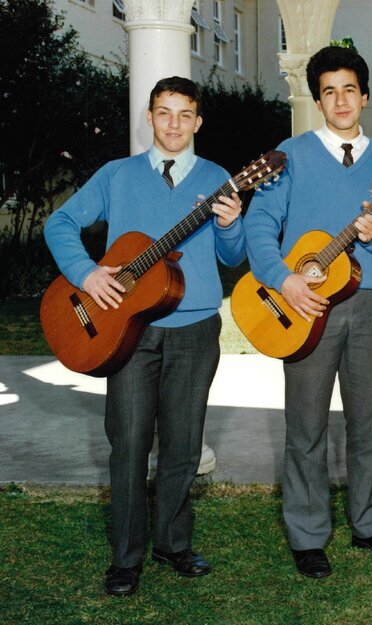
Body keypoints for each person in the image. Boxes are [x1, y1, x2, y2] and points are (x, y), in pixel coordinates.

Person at [44, 76, 245, 596]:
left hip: (195, 327)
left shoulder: (218, 177)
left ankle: (173, 544)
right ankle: (126, 558)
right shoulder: (117, 175)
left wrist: (230, 224)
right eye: (164, 112)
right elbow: (59, 223)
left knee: (183, 444)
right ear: (150, 117)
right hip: (126, 332)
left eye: (185, 114)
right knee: (129, 443)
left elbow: (232, 256)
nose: (174, 124)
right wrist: (86, 273)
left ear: (198, 122)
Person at [244, 45, 372, 578]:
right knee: (306, 424)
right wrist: (284, 280)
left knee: (367, 419)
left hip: (367, 300)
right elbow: (258, 225)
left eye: (349, 90)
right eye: (329, 91)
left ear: (366, 96)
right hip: (304, 303)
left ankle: (370, 526)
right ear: (317, 101)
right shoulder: (289, 154)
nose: (341, 100)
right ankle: (308, 534)